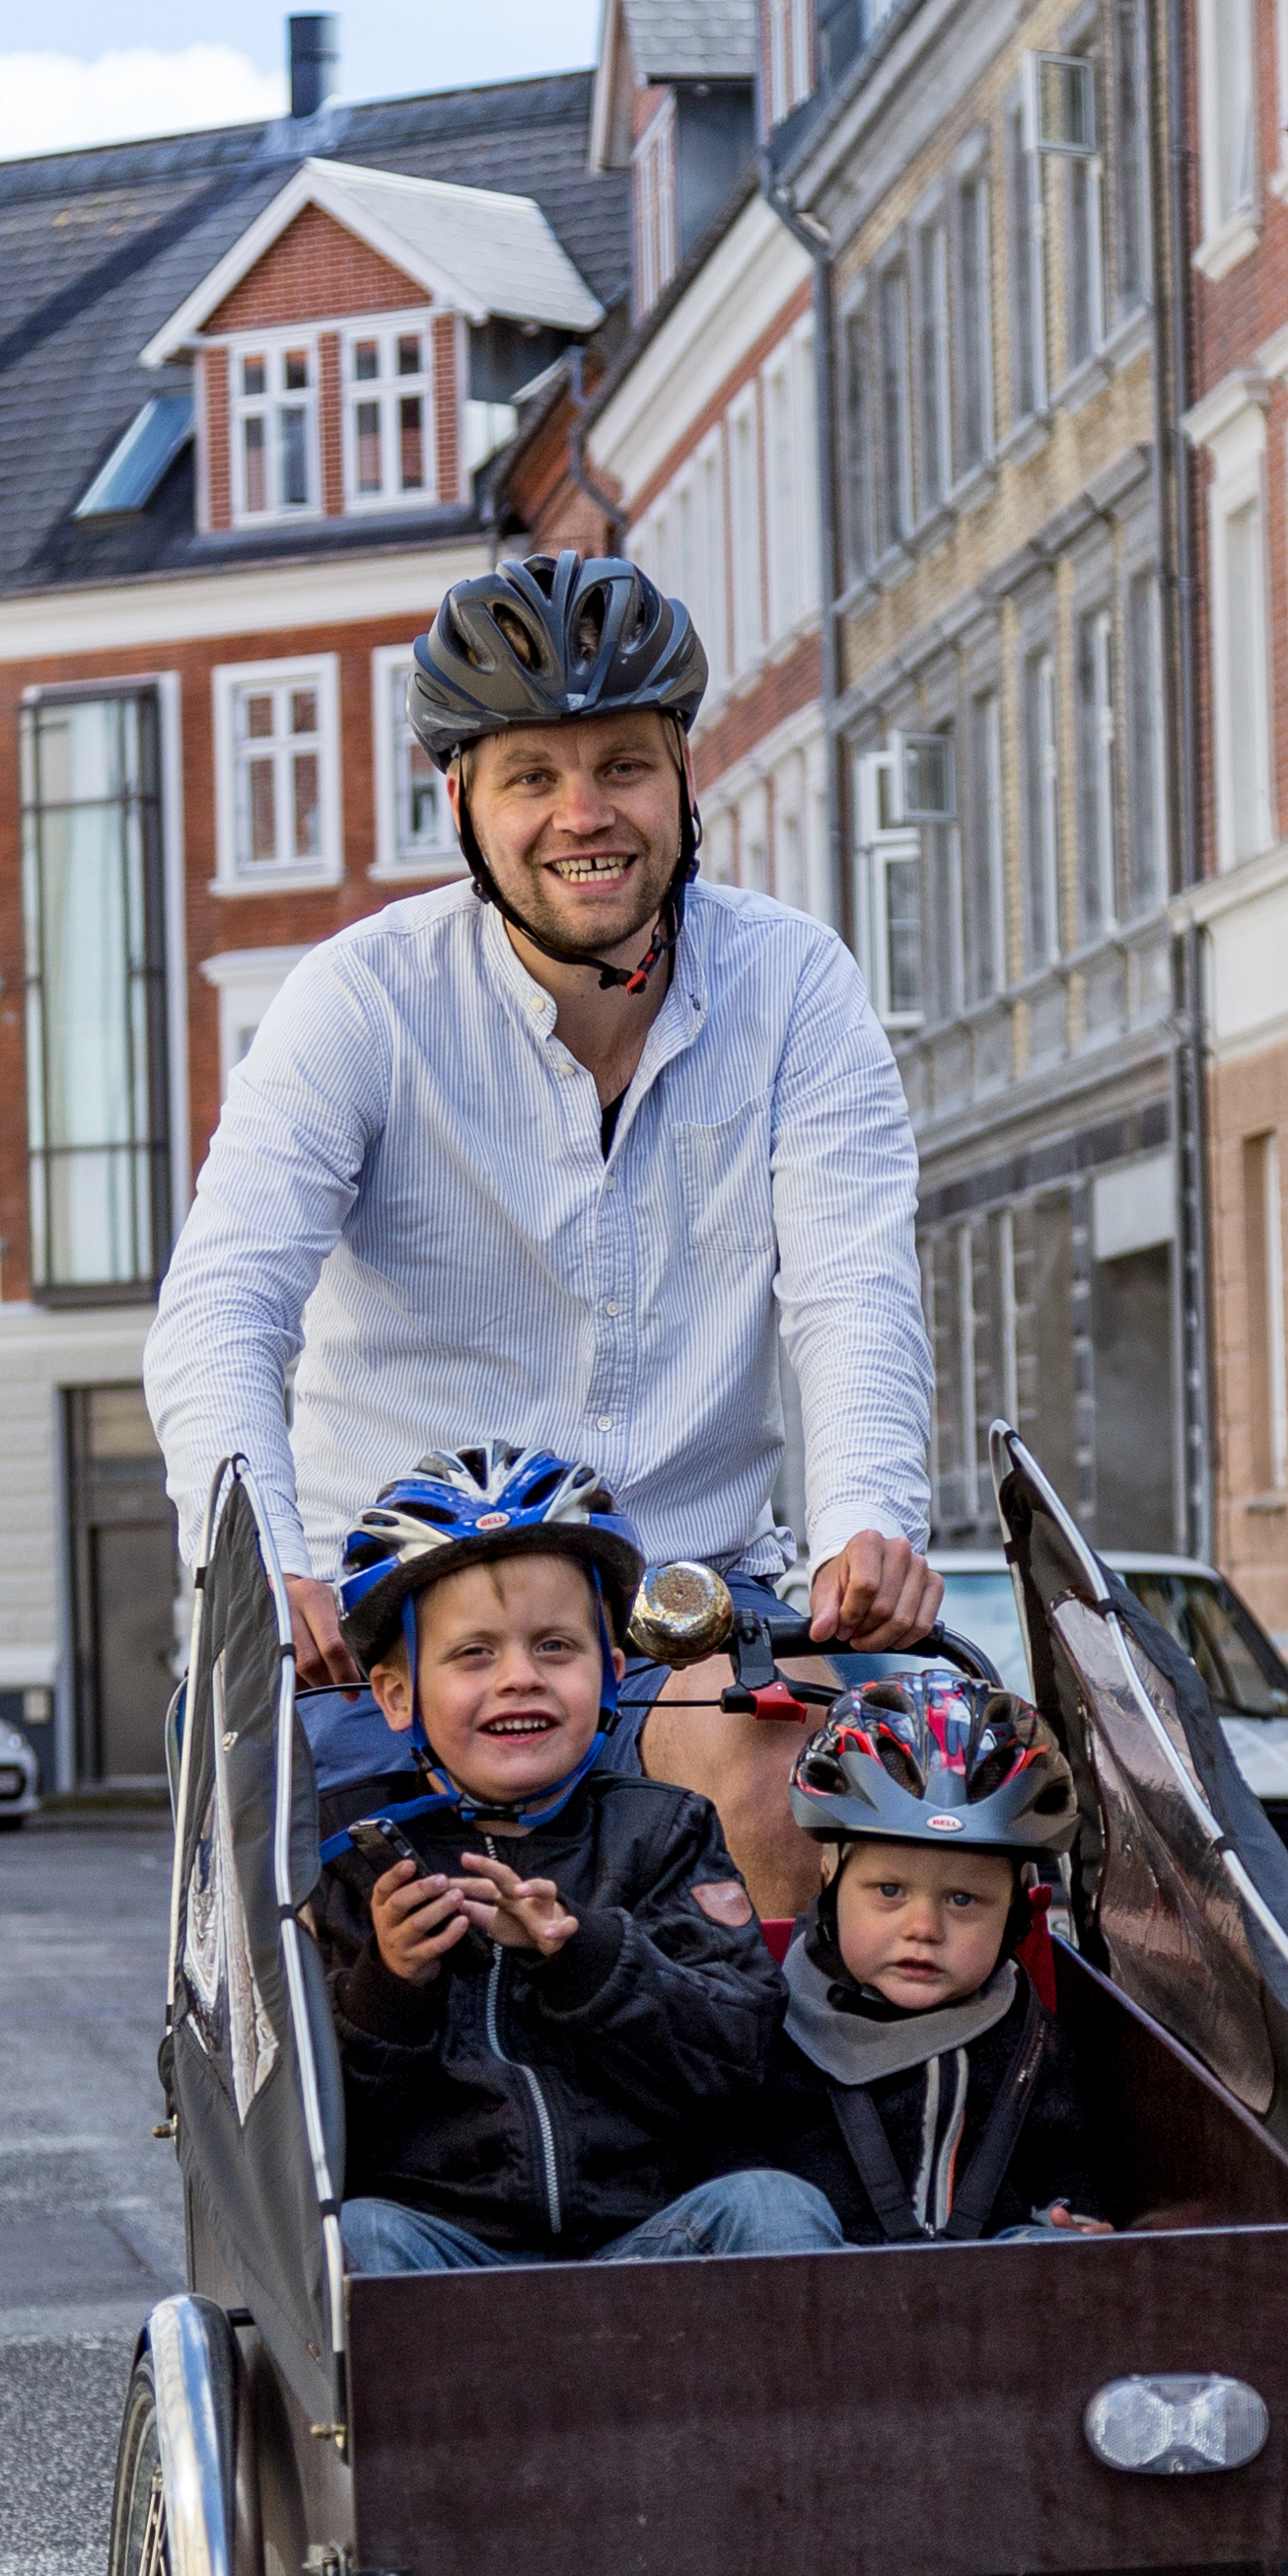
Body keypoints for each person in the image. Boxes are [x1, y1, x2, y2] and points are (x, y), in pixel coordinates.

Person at [143, 548, 941, 1917]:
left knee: (815, 1784)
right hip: (404, 1619)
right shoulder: (362, 1000)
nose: (586, 814)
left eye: (623, 766)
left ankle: (775, 2060)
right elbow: (225, 1302)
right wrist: (262, 1566)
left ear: (682, 776)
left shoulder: (793, 981)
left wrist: (868, 1521)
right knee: (334, 1903)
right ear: (462, 802)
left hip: (688, 1603)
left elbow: (851, 1283)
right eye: (532, 777)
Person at [311, 1446, 843, 2274]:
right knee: (361, 2236)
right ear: (397, 1695)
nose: (520, 1678)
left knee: (775, 2205)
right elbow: (321, 2134)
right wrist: (391, 1983)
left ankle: (808, 2368)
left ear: (612, 1674)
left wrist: (584, 1955)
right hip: (450, 2250)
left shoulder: (664, 1833)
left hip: (650, 2238)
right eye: (474, 1653)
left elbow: (737, 2060)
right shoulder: (358, 1856)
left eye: (556, 1646)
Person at [759, 1675, 1109, 2245]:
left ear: (1015, 1911)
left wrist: (1071, 2216)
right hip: (811, 2284)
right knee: (766, 2206)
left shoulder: (1031, 2040)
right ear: (830, 1880)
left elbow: (1062, 2164)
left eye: (963, 1900)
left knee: (1059, 2247)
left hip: (983, 2282)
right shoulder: (768, 2024)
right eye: (889, 1891)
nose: (923, 1929)